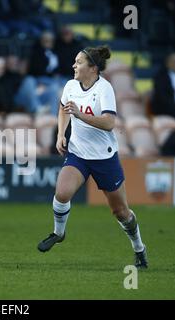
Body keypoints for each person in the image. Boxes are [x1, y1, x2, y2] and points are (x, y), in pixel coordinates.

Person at [37, 45, 148, 269]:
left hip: (104, 158)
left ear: (93, 68)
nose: (73, 66)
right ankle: (59, 233)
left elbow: (109, 123)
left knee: (121, 212)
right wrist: (61, 134)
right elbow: (62, 109)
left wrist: (79, 114)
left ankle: (139, 248)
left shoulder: (104, 89)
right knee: (62, 193)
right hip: (78, 153)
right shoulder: (70, 85)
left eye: (78, 62)